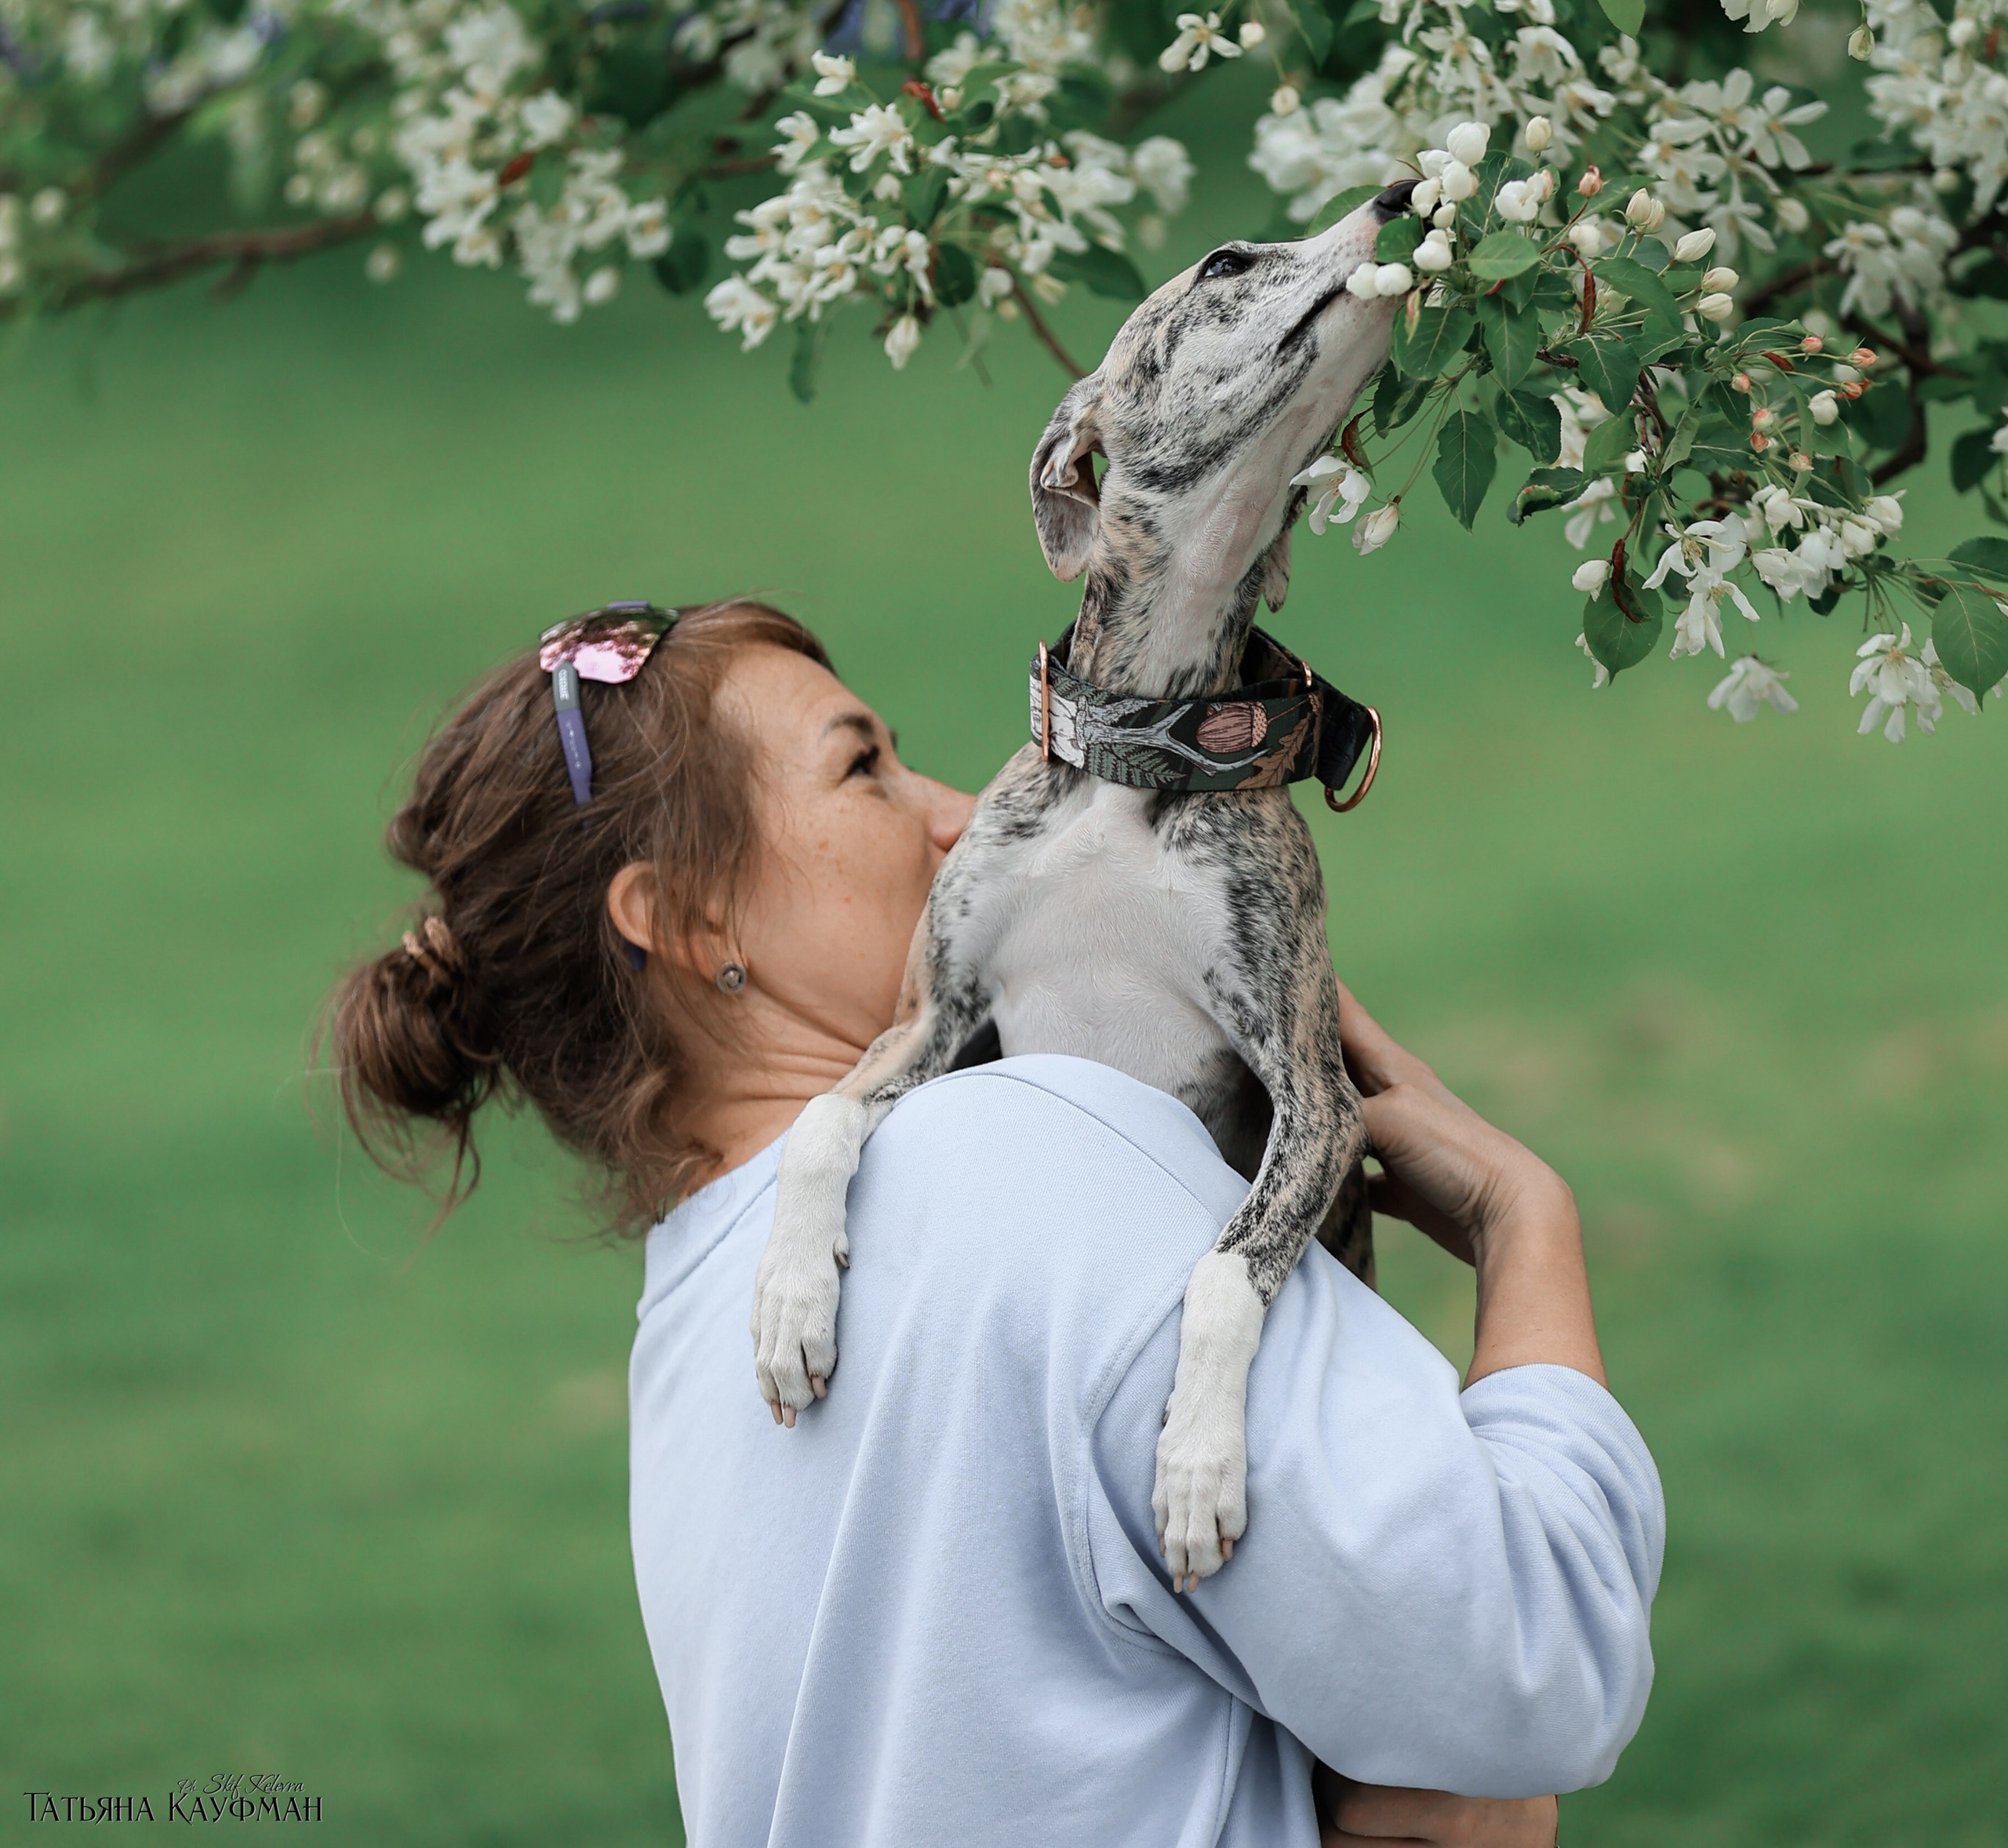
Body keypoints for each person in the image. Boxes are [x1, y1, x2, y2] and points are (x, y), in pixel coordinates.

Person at [327, 598, 1662, 1848]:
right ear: (687, 916)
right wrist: (1520, 1219)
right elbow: (1539, 1658)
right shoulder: (1040, 1165)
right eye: (864, 770)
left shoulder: (691, 1324)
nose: (959, 814)